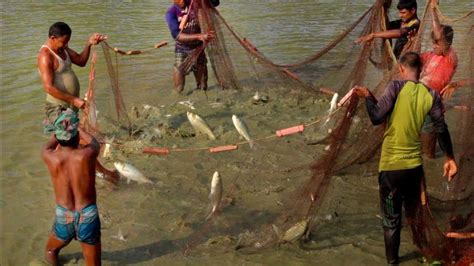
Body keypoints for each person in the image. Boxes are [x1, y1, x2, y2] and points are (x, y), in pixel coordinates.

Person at [353, 52, 457, 265]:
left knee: (391, 221)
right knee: (414, 214)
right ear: (421, 70)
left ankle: (393, 262)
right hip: (414, 170)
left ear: (401, 69)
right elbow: (441, 128)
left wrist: (367, 97)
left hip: (391, 170)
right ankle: (424, 255)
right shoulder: (431, 95)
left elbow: (376, 117)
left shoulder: (395, 87)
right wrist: (450, 158)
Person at [38, 22, 118, 183]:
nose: (66, 45)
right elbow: (48, 87)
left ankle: (69, 175)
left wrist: (89, 43)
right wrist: (74, 99)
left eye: (67, 42)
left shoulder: (63, 49)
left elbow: (81, 61)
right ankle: (104, 174)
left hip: (70, 106)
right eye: (63, 42)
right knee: (78, 141)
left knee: (67, 142)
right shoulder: (45, 56)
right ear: (52, 38)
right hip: (57, 107)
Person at [42, 109, 101, 265]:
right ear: (77, 137)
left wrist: (61, 127)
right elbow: (93, 142)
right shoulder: (87, 154)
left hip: (64, 215)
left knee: (50, 251)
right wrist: (79, 128)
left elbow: (50, 143)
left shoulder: (48, 156)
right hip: (87, 214)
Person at [165, 0, 219, 94]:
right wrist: (200, 36)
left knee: (203, 87)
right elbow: (177, 35)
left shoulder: (193, 4)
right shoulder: (171, 13)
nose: (182, 0)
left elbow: (215, 2)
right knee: (178, 89)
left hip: (198, 49)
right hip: (182, 49)